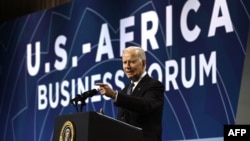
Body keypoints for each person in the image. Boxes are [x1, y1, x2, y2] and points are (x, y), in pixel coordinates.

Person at [96, 46, 164, 141]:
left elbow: (145, 106)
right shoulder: (125, 90)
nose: (127, 66)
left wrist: (114, 95)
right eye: (124, 62)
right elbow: (123, 124)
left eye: (132, 62)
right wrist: (106, 122)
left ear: (143, 63)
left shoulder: (154, 86)